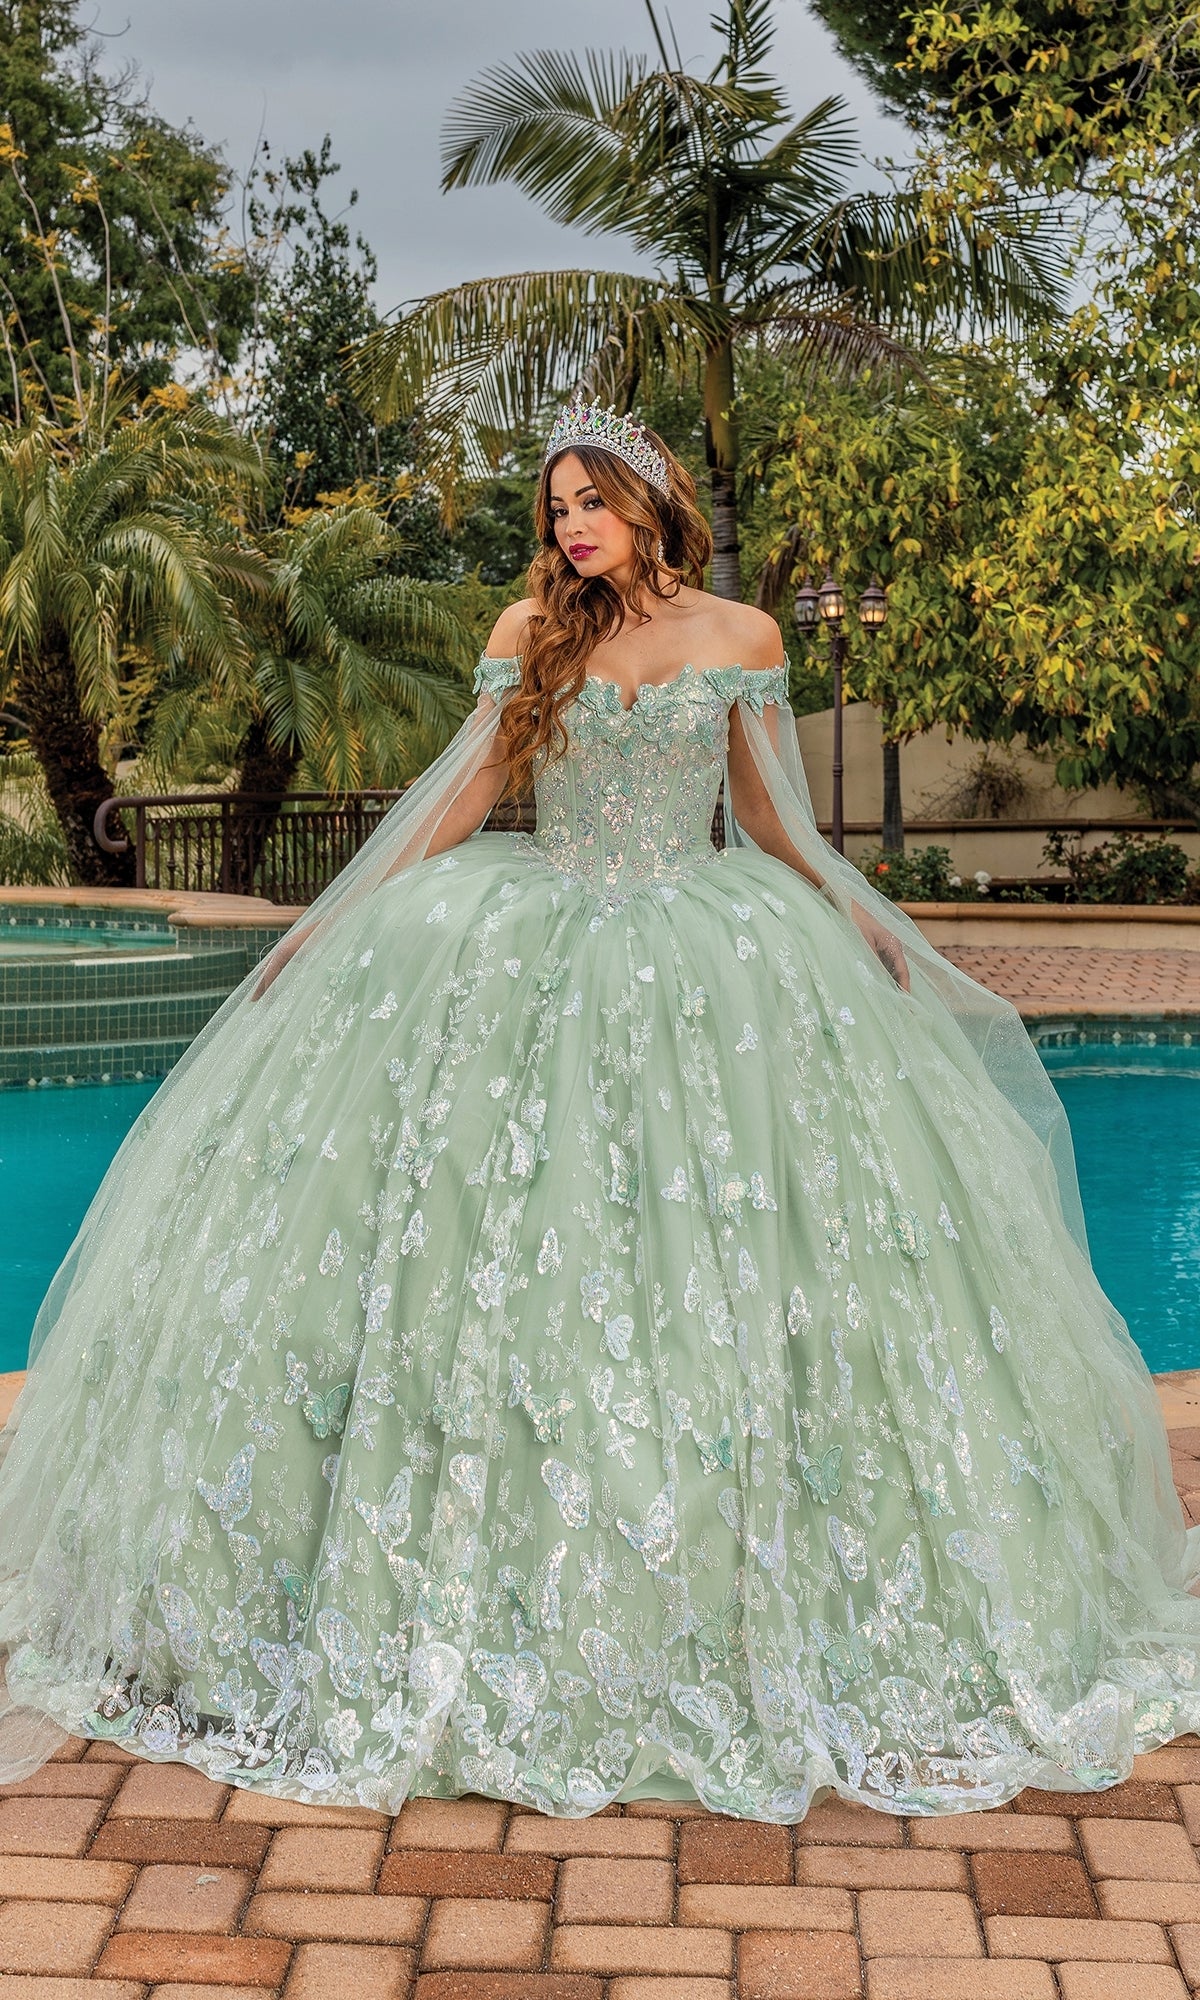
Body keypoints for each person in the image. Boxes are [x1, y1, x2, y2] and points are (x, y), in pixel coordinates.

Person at [0, 401, 1197, 1824]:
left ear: (649, 502)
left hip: (711, 954)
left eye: (593, 502)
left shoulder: (743, 638)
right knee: (493, 1238)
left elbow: (766, 822)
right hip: (527, 945)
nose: (572, 526)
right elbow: (470, 795)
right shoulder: (528, 633)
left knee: (741, 1251)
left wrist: (861, 921)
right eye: (558, 504)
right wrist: (338, 916)